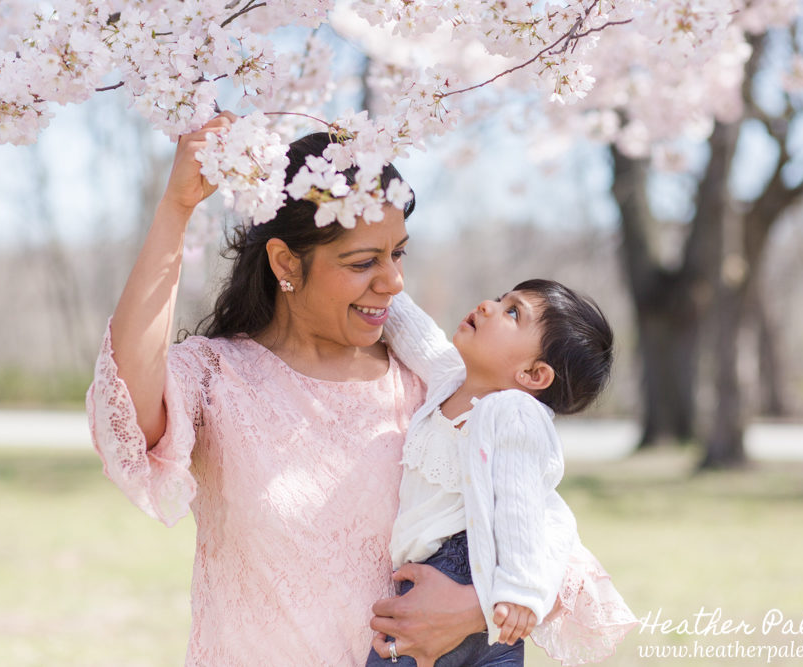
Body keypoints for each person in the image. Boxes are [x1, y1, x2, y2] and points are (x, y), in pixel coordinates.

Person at [85, 113, 487, 666]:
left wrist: (477, 608)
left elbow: (536, 523)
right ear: (284, 262)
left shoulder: (430, 385)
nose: (393, 281)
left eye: (398, 254)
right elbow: (125, 414)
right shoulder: (216, 379)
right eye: (363, 261)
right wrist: (176, 210)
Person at [366, 280, 638, 666]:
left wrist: (519, 592)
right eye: (499, 299)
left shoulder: (512, 412)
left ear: (532, 374)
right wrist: (382, 286)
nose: (488, 306)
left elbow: (519, 507)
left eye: (513, 312)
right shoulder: (451, 379)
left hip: (469, 573)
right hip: (426, 581)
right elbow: (416, 334)